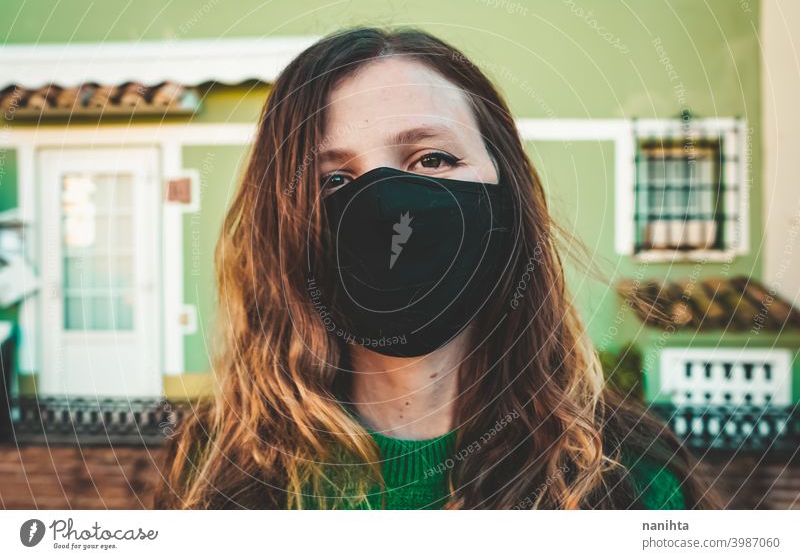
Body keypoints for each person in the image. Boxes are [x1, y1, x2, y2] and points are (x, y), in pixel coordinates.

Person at [153, 27, 721, 510]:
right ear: (286, 227)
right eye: (335, 180)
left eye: (432, 159)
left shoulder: (630, 482)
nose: (388, 207)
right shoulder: (217, 473)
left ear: (509, 195)